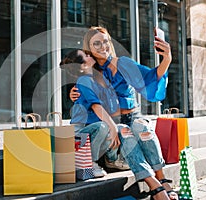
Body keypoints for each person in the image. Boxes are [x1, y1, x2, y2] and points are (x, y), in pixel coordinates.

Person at [69, 27, 178, 199]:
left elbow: (150, 78)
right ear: (88, 48)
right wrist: (75, 94)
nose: (102, 46)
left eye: (105, 41)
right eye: (96, 43)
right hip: (114, 124)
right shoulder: (90, 72)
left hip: (132, 117)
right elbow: (89, 101)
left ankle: (162, 178)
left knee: (143, 129)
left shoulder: (123, 63)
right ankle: (154, 186)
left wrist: (167, 58)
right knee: (126, 133)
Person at [60, 49, 129, 178]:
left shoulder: (95, 79)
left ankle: (112, 160)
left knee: (123, 129)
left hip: (93, 130)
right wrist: (112, 127)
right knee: (105, 127)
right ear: (83, 66)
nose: (90, 55)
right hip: (80, 135)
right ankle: (89, 163)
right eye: (86, 55)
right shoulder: (84, 80)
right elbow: (96, 107)